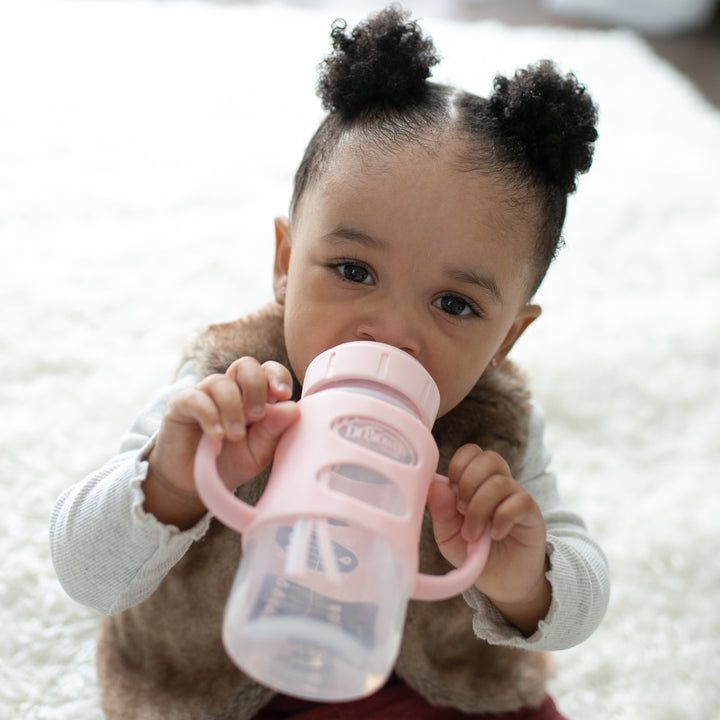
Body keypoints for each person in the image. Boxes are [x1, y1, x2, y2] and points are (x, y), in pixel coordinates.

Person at [50, 6, 609, 719]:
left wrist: (526, 580)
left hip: (424, 683)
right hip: (219, 682)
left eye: (455, 305)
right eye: (352, 269)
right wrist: (170, 481)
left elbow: (585, 589)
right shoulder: (229, 386)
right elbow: (84, 571)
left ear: (505, 339)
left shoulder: (492, 427)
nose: (390, 332)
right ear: (285, 264)